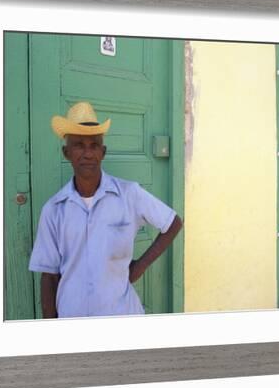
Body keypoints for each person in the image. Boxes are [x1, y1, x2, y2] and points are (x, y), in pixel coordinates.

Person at [28, 101, 183, 318]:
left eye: (94, 145)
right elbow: (49, 276)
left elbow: (173, 222)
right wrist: (52, 331)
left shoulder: (129, 194)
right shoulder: (54, 210)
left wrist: (139, 267)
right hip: (73, 320)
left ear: (103, 152)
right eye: (79, 145)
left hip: (122, 316)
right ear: (66, 153)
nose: (87, 153)